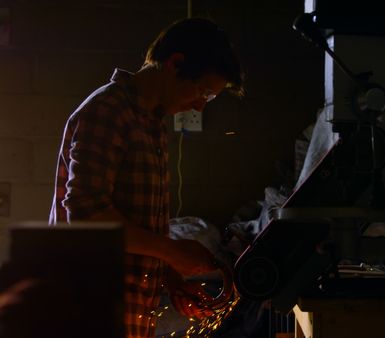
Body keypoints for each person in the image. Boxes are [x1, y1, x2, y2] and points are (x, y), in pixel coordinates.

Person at [49, 17, 244, 337]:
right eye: (203, 92)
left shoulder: (150, 125)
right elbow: (87, 217)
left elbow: (133, 228)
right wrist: (172, 251)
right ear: (175, 63)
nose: (199, 105)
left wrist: (169, 276)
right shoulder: (109, 111)